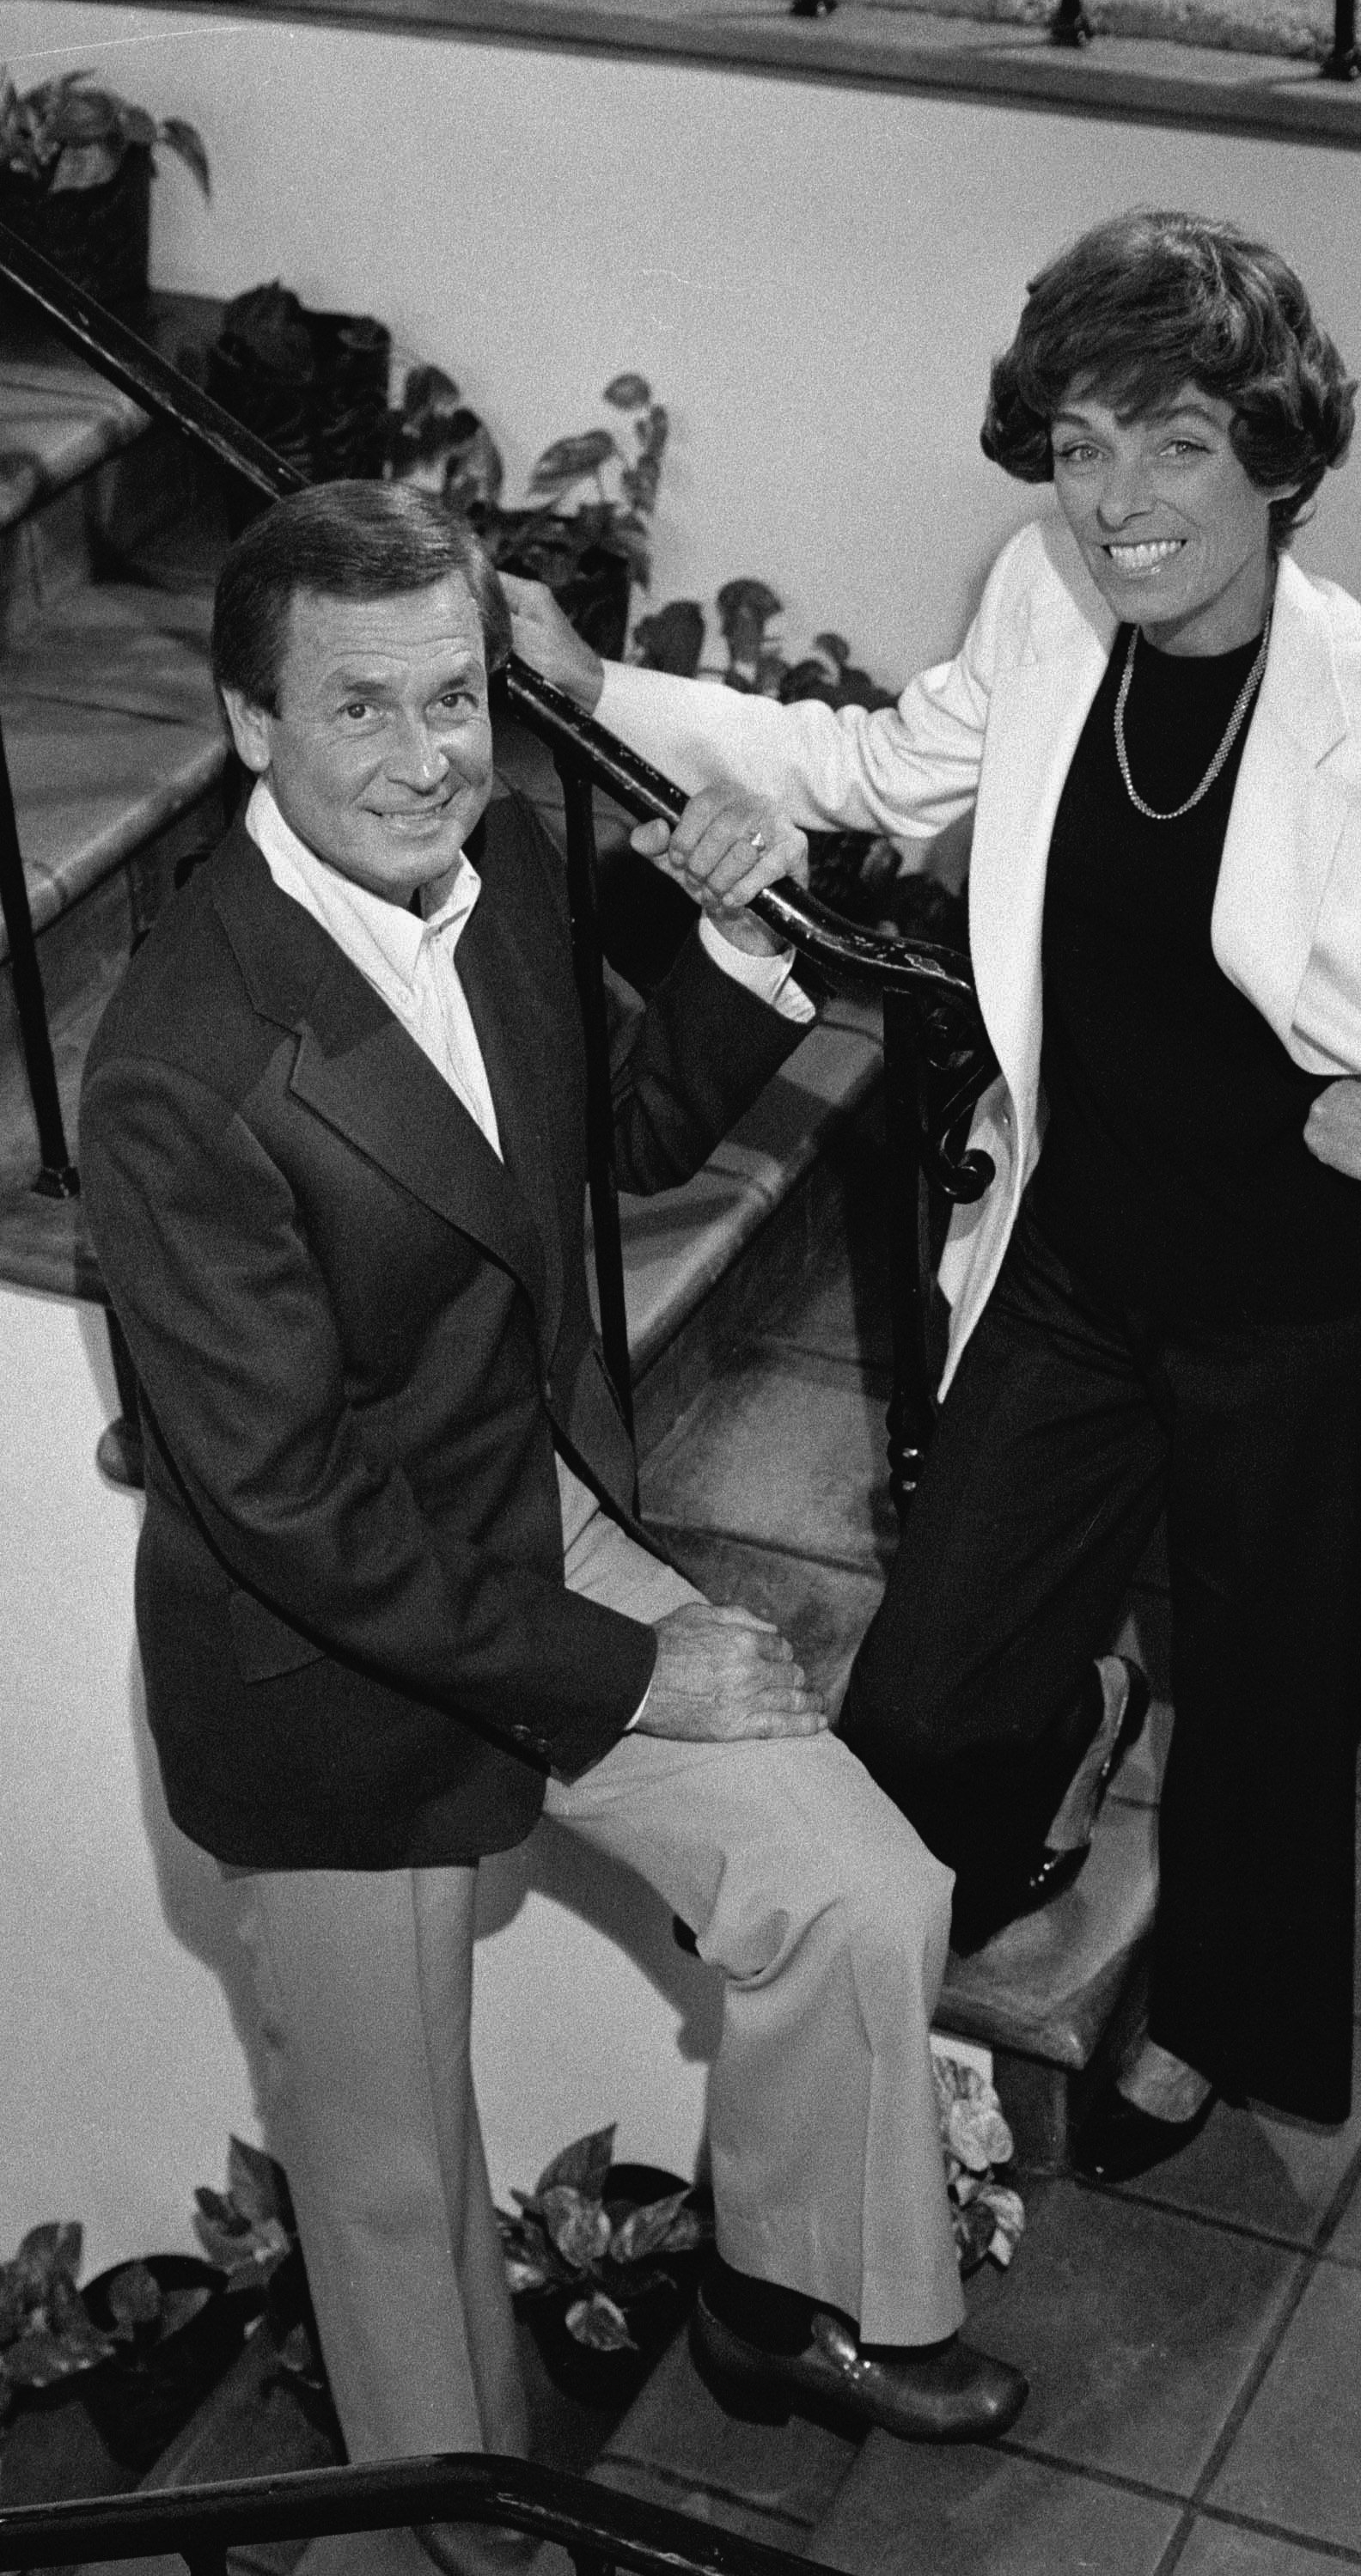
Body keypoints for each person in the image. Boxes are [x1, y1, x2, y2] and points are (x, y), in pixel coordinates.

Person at [506, 208, 1361, 2184]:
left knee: (1274, 1716)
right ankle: (1021, 1794)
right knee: (932, 1699)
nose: (1117, 500)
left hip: (1294, 1319)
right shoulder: (1047, 608)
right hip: (1069, 1269)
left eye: (1174, 442)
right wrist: (591, 683)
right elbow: (864, 768)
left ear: (1276, 459)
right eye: (1076, 443)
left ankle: (1208, 2025)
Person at [79, 481, 1026, 2576]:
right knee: (402, 2203)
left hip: (533, 1524)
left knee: (852, 1888)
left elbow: (639, 1125)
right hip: (323, 1668)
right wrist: (634, 1662)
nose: (429, 758)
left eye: (455, 700)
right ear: (249, 725)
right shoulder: (177, 1063)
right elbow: (288, 1506)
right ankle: (463, 2548)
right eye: (362, 713)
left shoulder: (490, 867)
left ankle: (784, 2302)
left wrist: (730, 933)